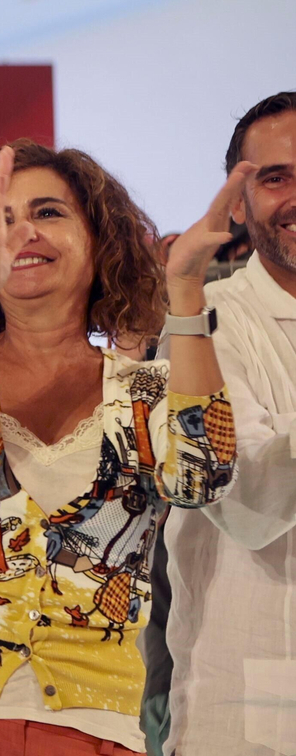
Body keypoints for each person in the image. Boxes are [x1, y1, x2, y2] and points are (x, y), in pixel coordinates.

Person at [0, 140, 241, 756]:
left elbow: (204, 479)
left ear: (100, 240)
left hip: (93, 723)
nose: (24, 231)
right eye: (3, 218)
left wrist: (187, 289)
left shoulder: (144, 391)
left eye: (49, 213)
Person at [144, 91, 296, 756]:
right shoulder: (206, 324)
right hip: (248, 706)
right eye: (276, 177)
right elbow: (248, 500)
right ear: (238, 203)